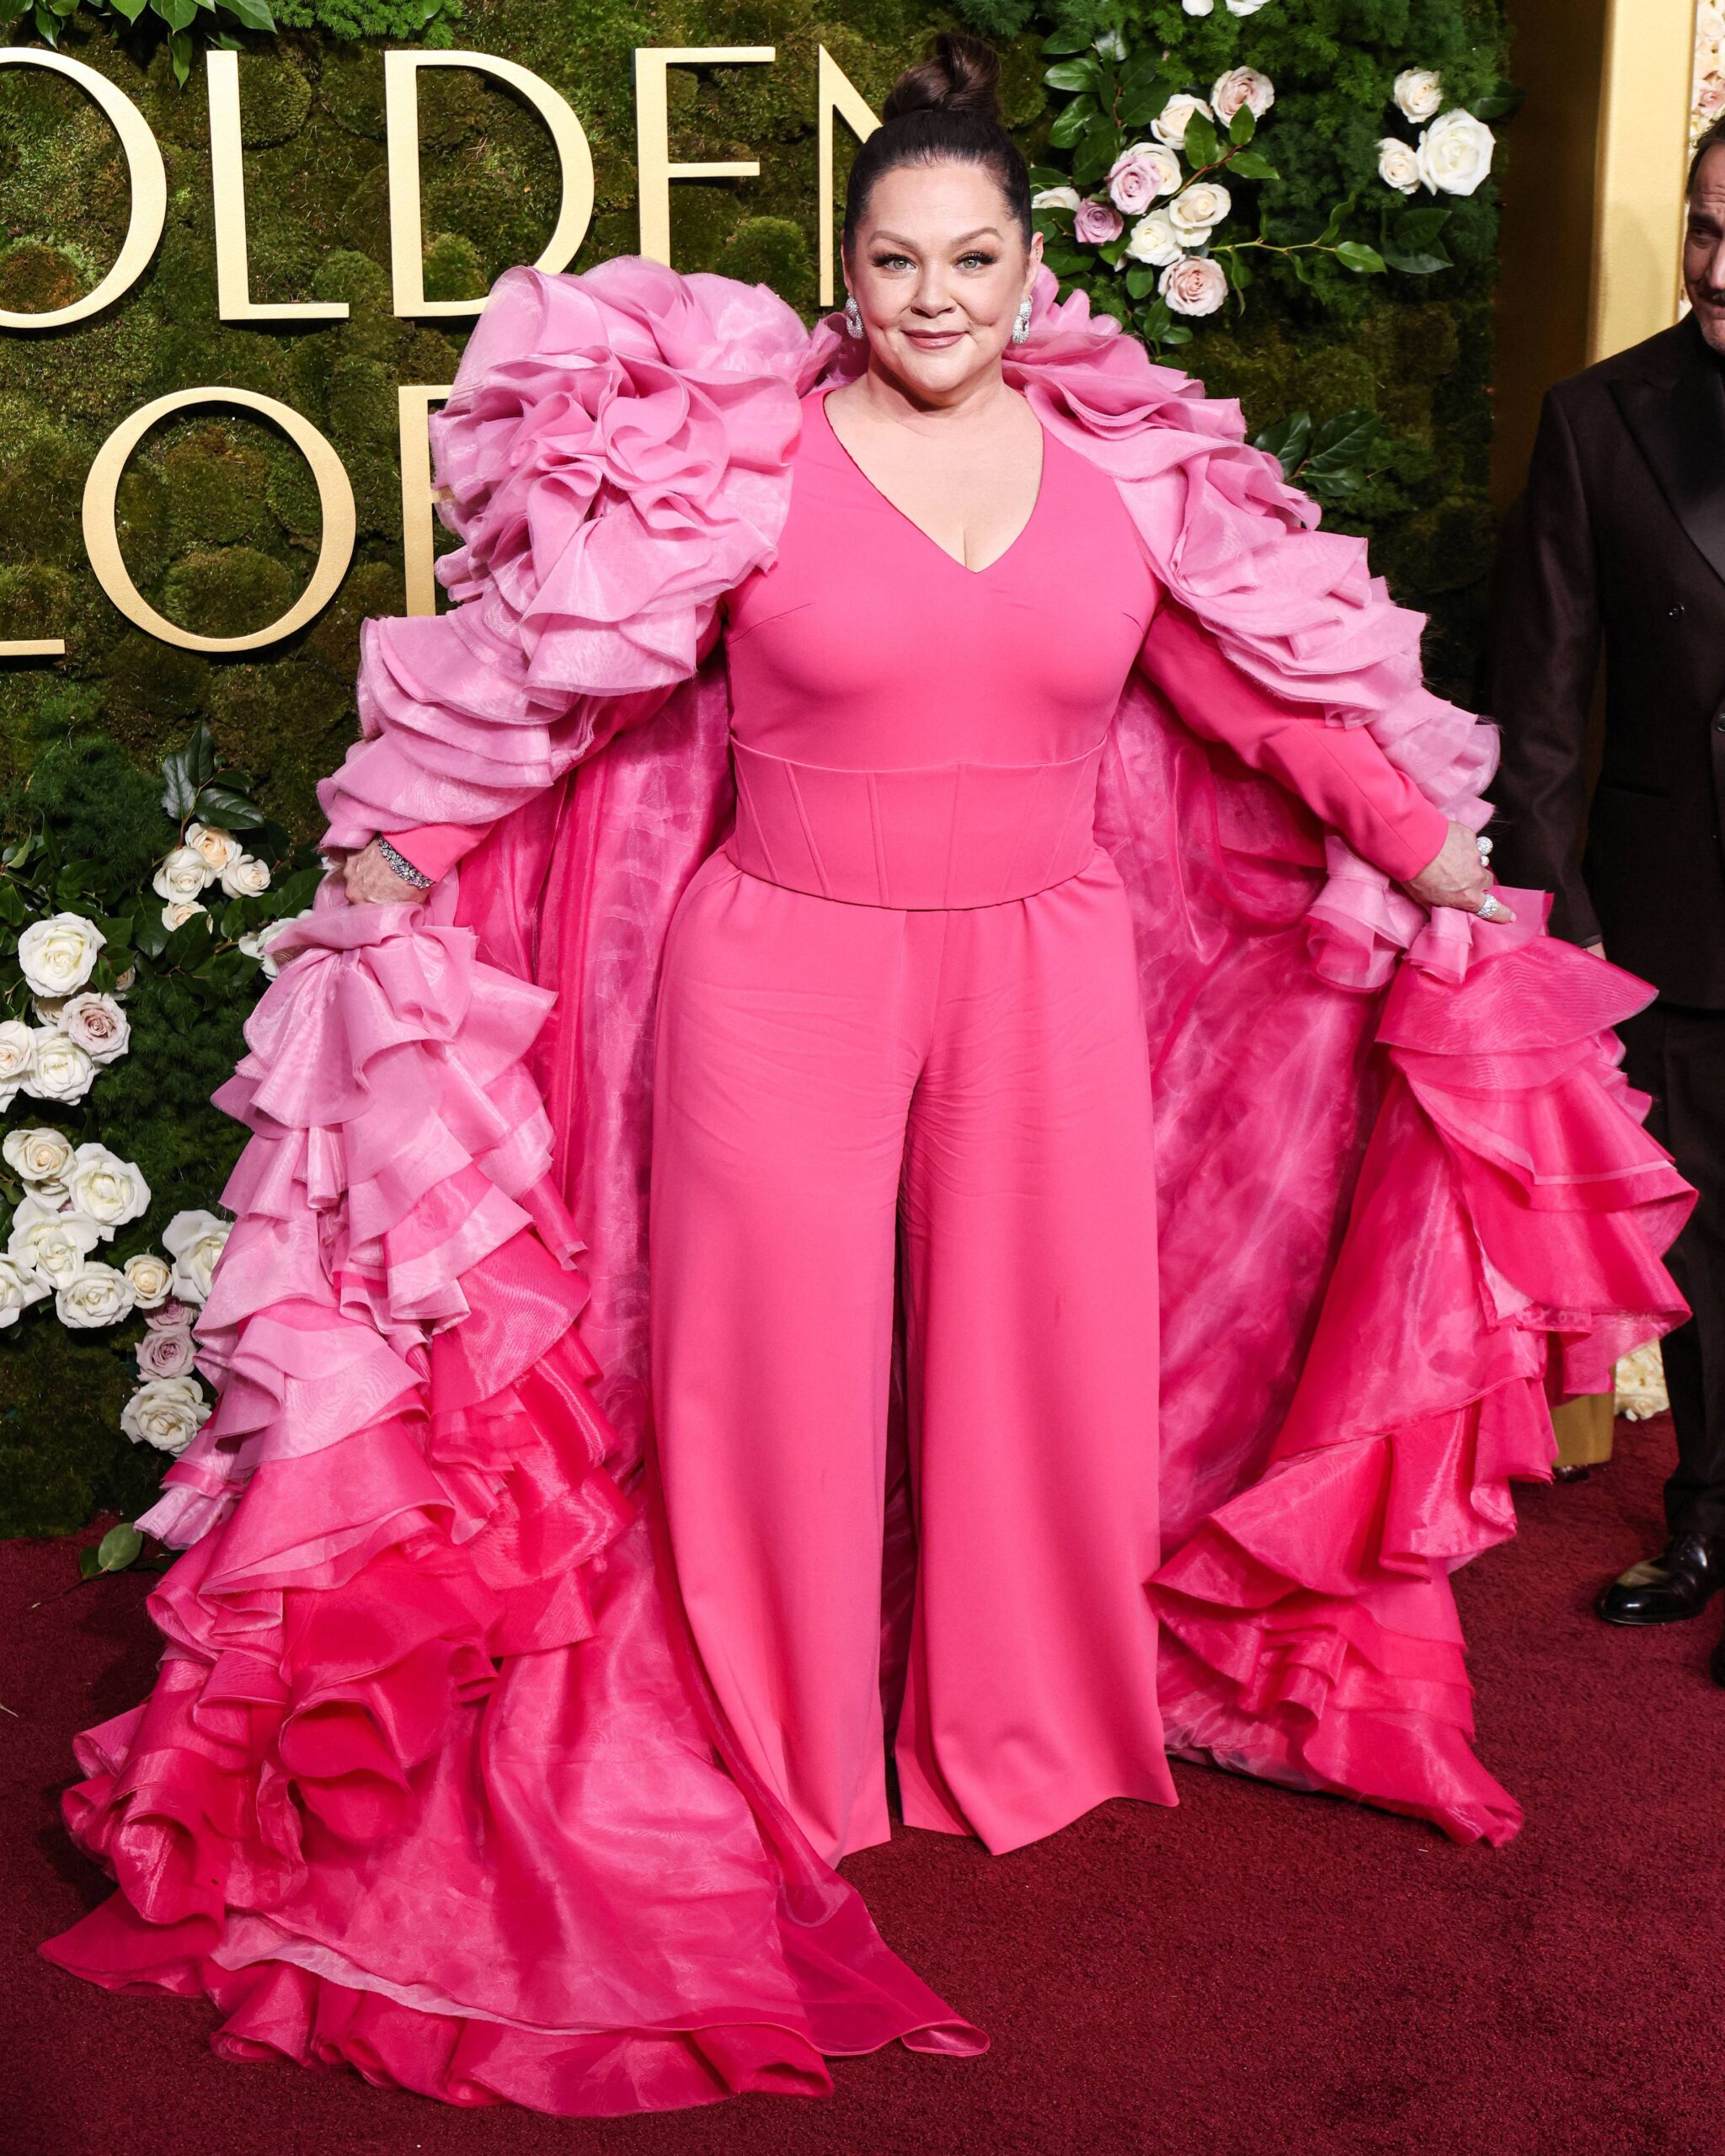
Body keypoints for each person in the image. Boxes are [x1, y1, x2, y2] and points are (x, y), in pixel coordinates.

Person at [41, 36, 1686, 2120]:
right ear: (849, 274)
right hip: (782, 969)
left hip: (1048, 970)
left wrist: (1425, 840)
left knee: (1043, 1359)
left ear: (1026, 270)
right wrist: (404, 840)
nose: (933, 296)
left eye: (970, 257)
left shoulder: (1124, 483)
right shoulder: (742, 471)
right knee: (777, 1375)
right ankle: (786, 1747)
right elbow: (567, 685)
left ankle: (1025, 1727)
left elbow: (1261, 701)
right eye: (895, 261)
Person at [1487, 113, 1725, 1677]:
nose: (1720, 265)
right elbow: (1544, 701)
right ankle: (1706, 1510)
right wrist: (1554, 922)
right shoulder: (1600, 416)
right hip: (1675, 900)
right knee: (1705, 1231)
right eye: (1706, 226)